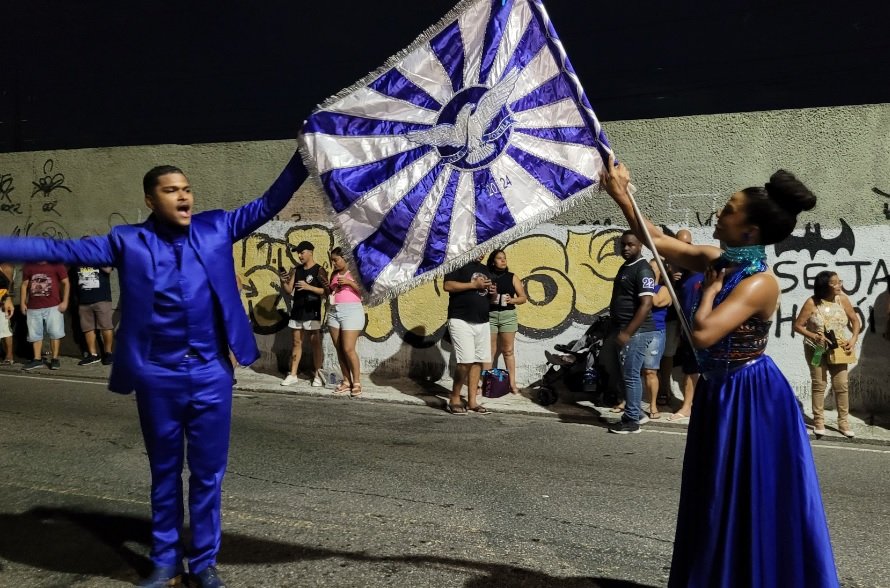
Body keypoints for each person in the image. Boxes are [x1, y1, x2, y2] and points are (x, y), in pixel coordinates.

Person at [0, 152, 307, 588]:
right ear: (150, 199)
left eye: (187, 189)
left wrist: (304, 155)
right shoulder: (127, 241)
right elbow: (58, 249)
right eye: (171, 190)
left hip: (211, 373)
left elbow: (269, 202)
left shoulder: (217, 227)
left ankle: (203, 563)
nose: (183, 196)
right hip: (157, 376)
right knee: (164, 473)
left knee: (208, 475)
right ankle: (165, 561)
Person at [602, 156, 839, 586]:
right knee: (714, 492)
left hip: (750, 395)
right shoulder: (717, 257)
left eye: (728, 209)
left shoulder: (759, 282)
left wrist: (710, 290)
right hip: (720, 391)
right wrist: (622, 195)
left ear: (749, 231)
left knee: (748, 494)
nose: (718, 213)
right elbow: (657, 239)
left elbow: (703, 334)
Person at [599, 230, 657, 434]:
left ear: (640, 246)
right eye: (622, 244)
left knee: (631, 375)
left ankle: (631, 421)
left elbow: (646, 304)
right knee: (625, 375)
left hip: (636, 332)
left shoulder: (643, 270)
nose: (625, 248)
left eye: (630, 244)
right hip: (622, 329)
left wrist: (627, 333)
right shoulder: (626, 266)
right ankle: (637, 413)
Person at [793, 271, 860, 438]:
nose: (839, 285)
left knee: (841, 385)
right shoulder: (812, 302)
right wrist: (814, 336)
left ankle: (843, 422)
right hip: (816, 349)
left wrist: (853, 339)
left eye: (839, 281)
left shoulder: (842, 299)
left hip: (838, 349)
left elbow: (855, 320)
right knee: (819, 384)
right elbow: (798, 326)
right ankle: (819, 422)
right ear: (824, 286)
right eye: (834, 283)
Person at [443, 255, 493, 415]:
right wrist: (473, 284)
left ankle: (472, 402)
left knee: (478, 362)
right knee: (465, 362)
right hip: (460, 319)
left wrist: (493, 293)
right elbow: (447, 285)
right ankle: (454, 398)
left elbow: (489, 298)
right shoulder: (456, 264)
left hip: (483, 321)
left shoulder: (485, 269)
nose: (482, 251)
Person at [280, 240, 328, 387]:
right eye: (298, 253)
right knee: (296, 342)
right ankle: (293, 374)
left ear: (310, 252)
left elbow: (326, 292)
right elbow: (289, 290)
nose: (300, 256)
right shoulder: (296, 270)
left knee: (315, 343)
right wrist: (283, 281)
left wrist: (309, 287)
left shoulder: (319, 270)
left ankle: (318, 375)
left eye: (302, 252)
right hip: (297, 311)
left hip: (312, 311)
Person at [482, 249, 527, 394]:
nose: (503, 260)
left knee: (508, 351)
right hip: (490, 315)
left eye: (504, 258)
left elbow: (523, 298)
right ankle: (486, 384)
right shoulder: (487, 277)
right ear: (492, 261)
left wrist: (511, 300)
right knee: (489, 352)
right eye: (499, 258)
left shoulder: (512, 277)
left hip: (508, 316)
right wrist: (489, 294)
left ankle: (512, 384)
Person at [657, 230, 692, 406]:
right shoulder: (665, 263)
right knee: (666, 354)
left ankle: (689, 398)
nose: (684, 247)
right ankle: (664, 389)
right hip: (668, 317)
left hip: (689, 319)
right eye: (681, 243)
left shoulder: (694, 263)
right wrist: (669, 279)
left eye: (688, 244)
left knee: (690, 359)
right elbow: (655, 287)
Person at [326, 247, 364, 397]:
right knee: (339, 349)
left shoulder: (355, 272)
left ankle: (357, 382)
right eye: (332, 261)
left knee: (348, 348)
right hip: (334, 311)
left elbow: (365, 292)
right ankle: (347, 381)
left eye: (336, 260)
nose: (334, 263)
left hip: (351, 311)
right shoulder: (334, 274)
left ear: (345, 258)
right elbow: (331, 292)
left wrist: (349, 282)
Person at [20, 261, 69, 371]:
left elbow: (66, 282)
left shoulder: (56, 264)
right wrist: (23, 302)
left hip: (53, 305)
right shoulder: (29, 265)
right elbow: (24, 285)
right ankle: (37, 359)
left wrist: (65, 301)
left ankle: (55, 359)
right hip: (33, 306)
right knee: (34, 334)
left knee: (55, 333)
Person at [73, 261, 115, 365]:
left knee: (106, 326)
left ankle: (108, 353)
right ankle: (93, 355)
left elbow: (108, 269)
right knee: (87, 328)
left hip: (102, 298)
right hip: (83, 299)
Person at [646, 260, 671, 419]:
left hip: (655, 331)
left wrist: (646, 284)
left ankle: (653, 406)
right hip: (637, 330)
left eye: (651, 268)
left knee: (650, 370)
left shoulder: (664, 289)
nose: (647, 270)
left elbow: (655, 301)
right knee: (630, 370)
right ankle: (625, 402)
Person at [0, 262, 14, 365]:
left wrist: (7, 300)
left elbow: (7, 285)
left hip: (1, 303)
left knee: (5, 330)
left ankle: (9, 355)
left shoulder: (5, 267)